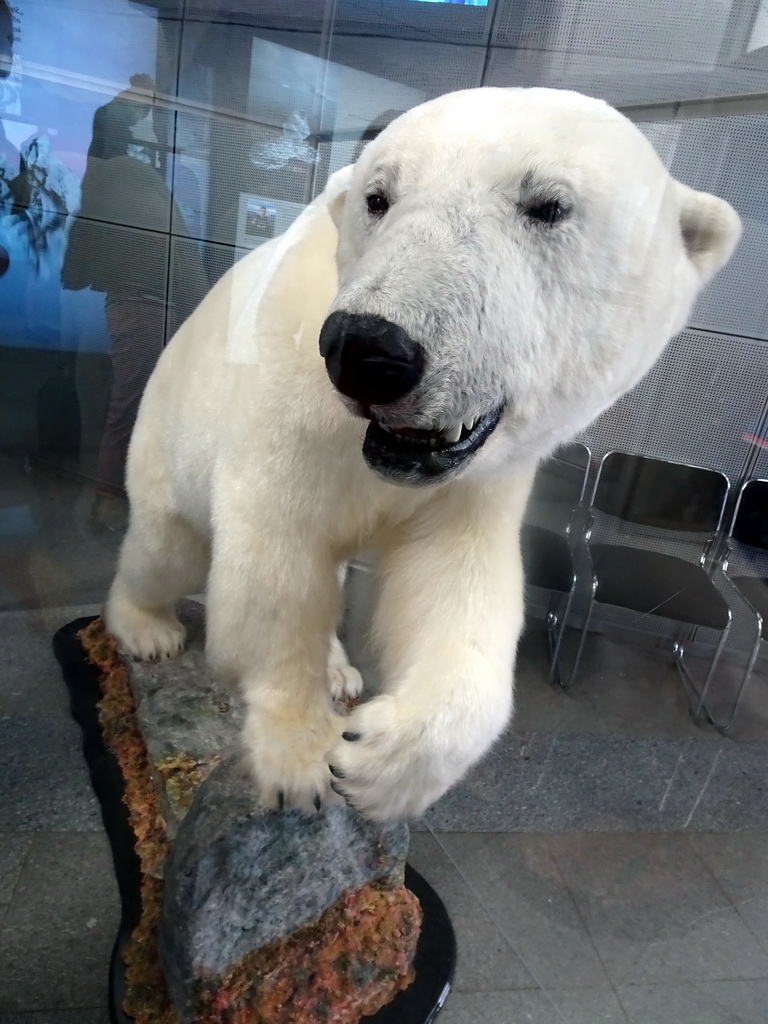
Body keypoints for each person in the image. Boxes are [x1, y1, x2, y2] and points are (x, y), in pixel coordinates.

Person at [62, 75, 208, 528]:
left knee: (133, 408)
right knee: (134, 410)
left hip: (138, 306)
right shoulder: (128, 177)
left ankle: (112, 502)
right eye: (145, 115)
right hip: (146, 308)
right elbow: (178, 256)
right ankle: (109, 503)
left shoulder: (110, 177)